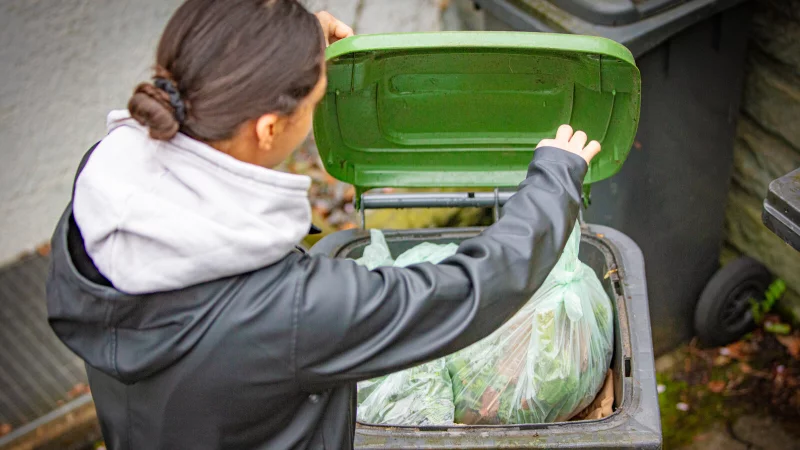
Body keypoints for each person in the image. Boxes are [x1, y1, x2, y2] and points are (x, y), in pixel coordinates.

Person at [45, 0, 602, 449]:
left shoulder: (102, 187)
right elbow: (466, 292)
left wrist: (287, 48)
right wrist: (553, 178)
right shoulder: (287, 312)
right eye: (314, 102)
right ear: (268, 128)